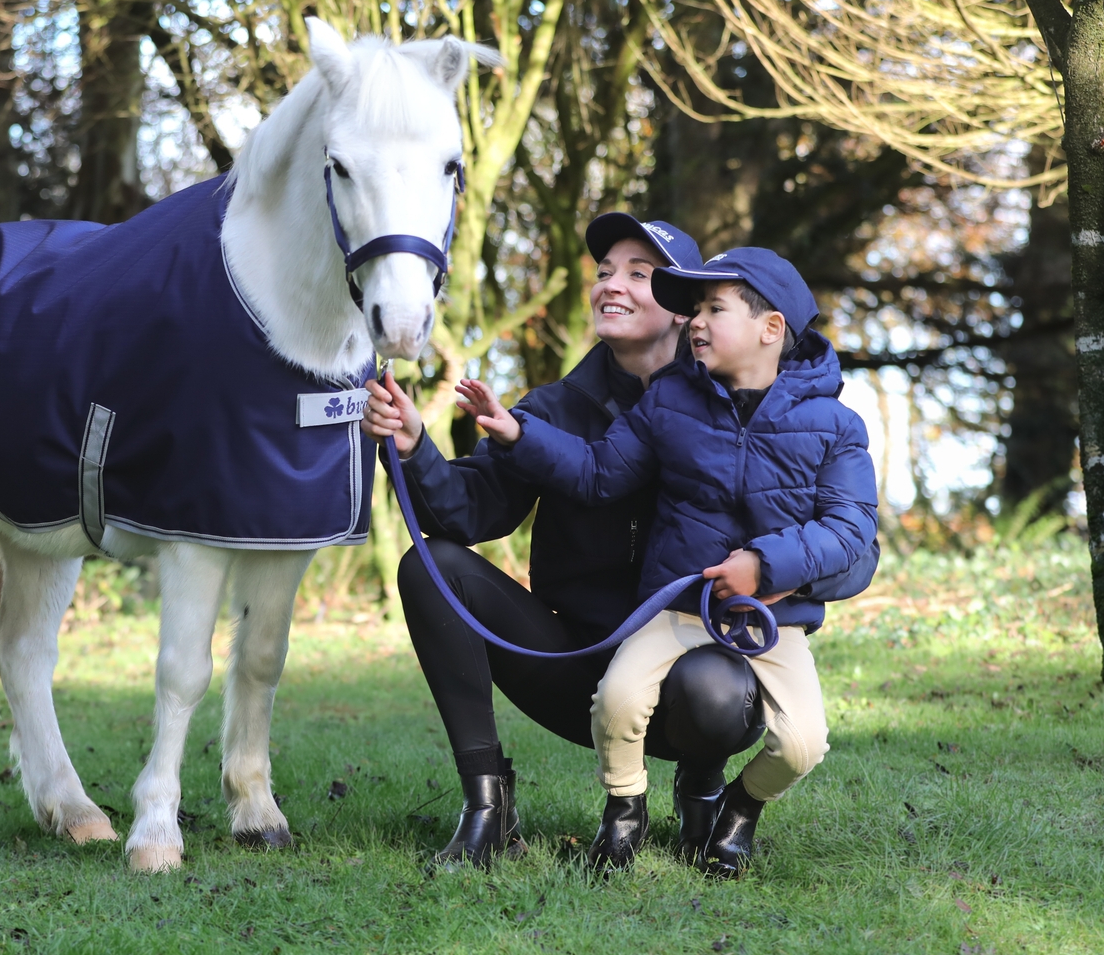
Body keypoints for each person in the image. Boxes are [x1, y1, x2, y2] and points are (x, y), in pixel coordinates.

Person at [362, 216, 878, 872]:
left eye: (640, 273)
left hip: (712, 671)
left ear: (682, 305)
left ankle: (704, 791)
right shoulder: (554, 409)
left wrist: (773, 572)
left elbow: (854, 546)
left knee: (717, 687)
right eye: (605, 271)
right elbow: (473, 512)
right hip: (582, 663)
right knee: (433, 567)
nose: (613, 284)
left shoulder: (784, 412)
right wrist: (413, 450)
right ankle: (488, 801)